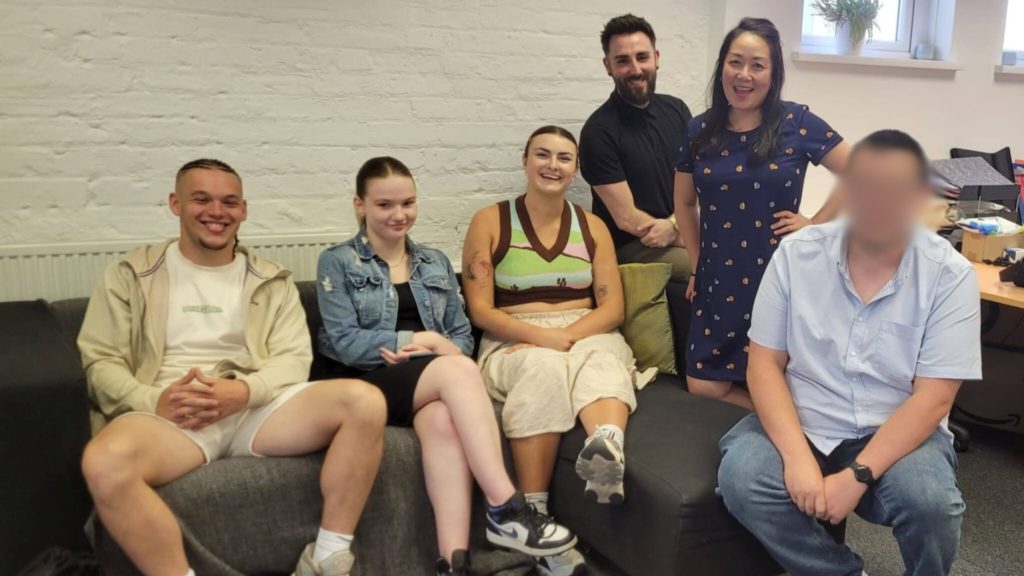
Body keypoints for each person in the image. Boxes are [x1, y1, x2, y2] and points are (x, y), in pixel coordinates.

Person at [78, 159, 387, 576]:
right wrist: (155, 400)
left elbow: (293, 359)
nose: (216, 212)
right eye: (201, 199)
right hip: (172, 417)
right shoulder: (130, 275)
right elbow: (100, 361)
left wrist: (244, 392)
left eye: (229, 202)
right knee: (103, 461)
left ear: (243, 210)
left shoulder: (270, 279)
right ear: (175, 204)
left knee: (364, 401)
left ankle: (327, 558)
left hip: (255, 411)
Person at [718, 130, 981, 576]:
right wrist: (798, 457)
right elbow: (764, 363)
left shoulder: (949, 275)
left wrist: (857, 475)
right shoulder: (796, 255)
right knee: (742, 478)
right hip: (808, 417)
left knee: (932, 506)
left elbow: (934, 398)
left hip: (894, 428)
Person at [316, 157, 577, 576]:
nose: (399, 215)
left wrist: (441, 349)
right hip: (364, 384)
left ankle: (453, 562)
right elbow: (345, 343)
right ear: (359, 206)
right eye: (384, 205)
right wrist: (422, 342)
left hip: (426, 384)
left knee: (442, 422)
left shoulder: (434, 262)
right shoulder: (339, 262)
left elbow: (460, 336)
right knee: (457, 371)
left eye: (408, 202)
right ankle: (506, 508)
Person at [463, 126, 655, 576]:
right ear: (525, 161)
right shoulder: (490, 220)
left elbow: (612, 307)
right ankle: (536, 521)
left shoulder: (592, 227)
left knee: (605, 358)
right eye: (543, 155)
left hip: (585, 329)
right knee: (545, 368)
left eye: (564, 158)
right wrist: (545, 337)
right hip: (516, 335)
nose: (553, 165)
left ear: (576, 170)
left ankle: (605, 448)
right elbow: (480, 309)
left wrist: (571, 334)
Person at [674, 17, 851, 408]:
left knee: (775, 372)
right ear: (722, 66)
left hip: (779, 270)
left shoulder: (796, 122)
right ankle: (789, 420)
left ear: (773, 74)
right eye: (736, 62)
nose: (744, 75)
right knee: (703, 383)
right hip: (718, 274)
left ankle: (791, 424)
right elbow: (685, 203)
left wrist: (815, 223)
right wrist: (696, 262)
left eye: (758, 65)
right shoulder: (699, 130)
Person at [579, 13, 693, 281]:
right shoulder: (598, 131)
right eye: (622, 61)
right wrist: (683, 237)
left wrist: (676, 228)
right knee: (712, 267)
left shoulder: (677, 110)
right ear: (608, 66)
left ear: (656, 57)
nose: (635, 69)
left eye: (642, 57)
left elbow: (695, 182)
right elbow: (627, 219)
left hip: (676, 230)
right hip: (633, 247)